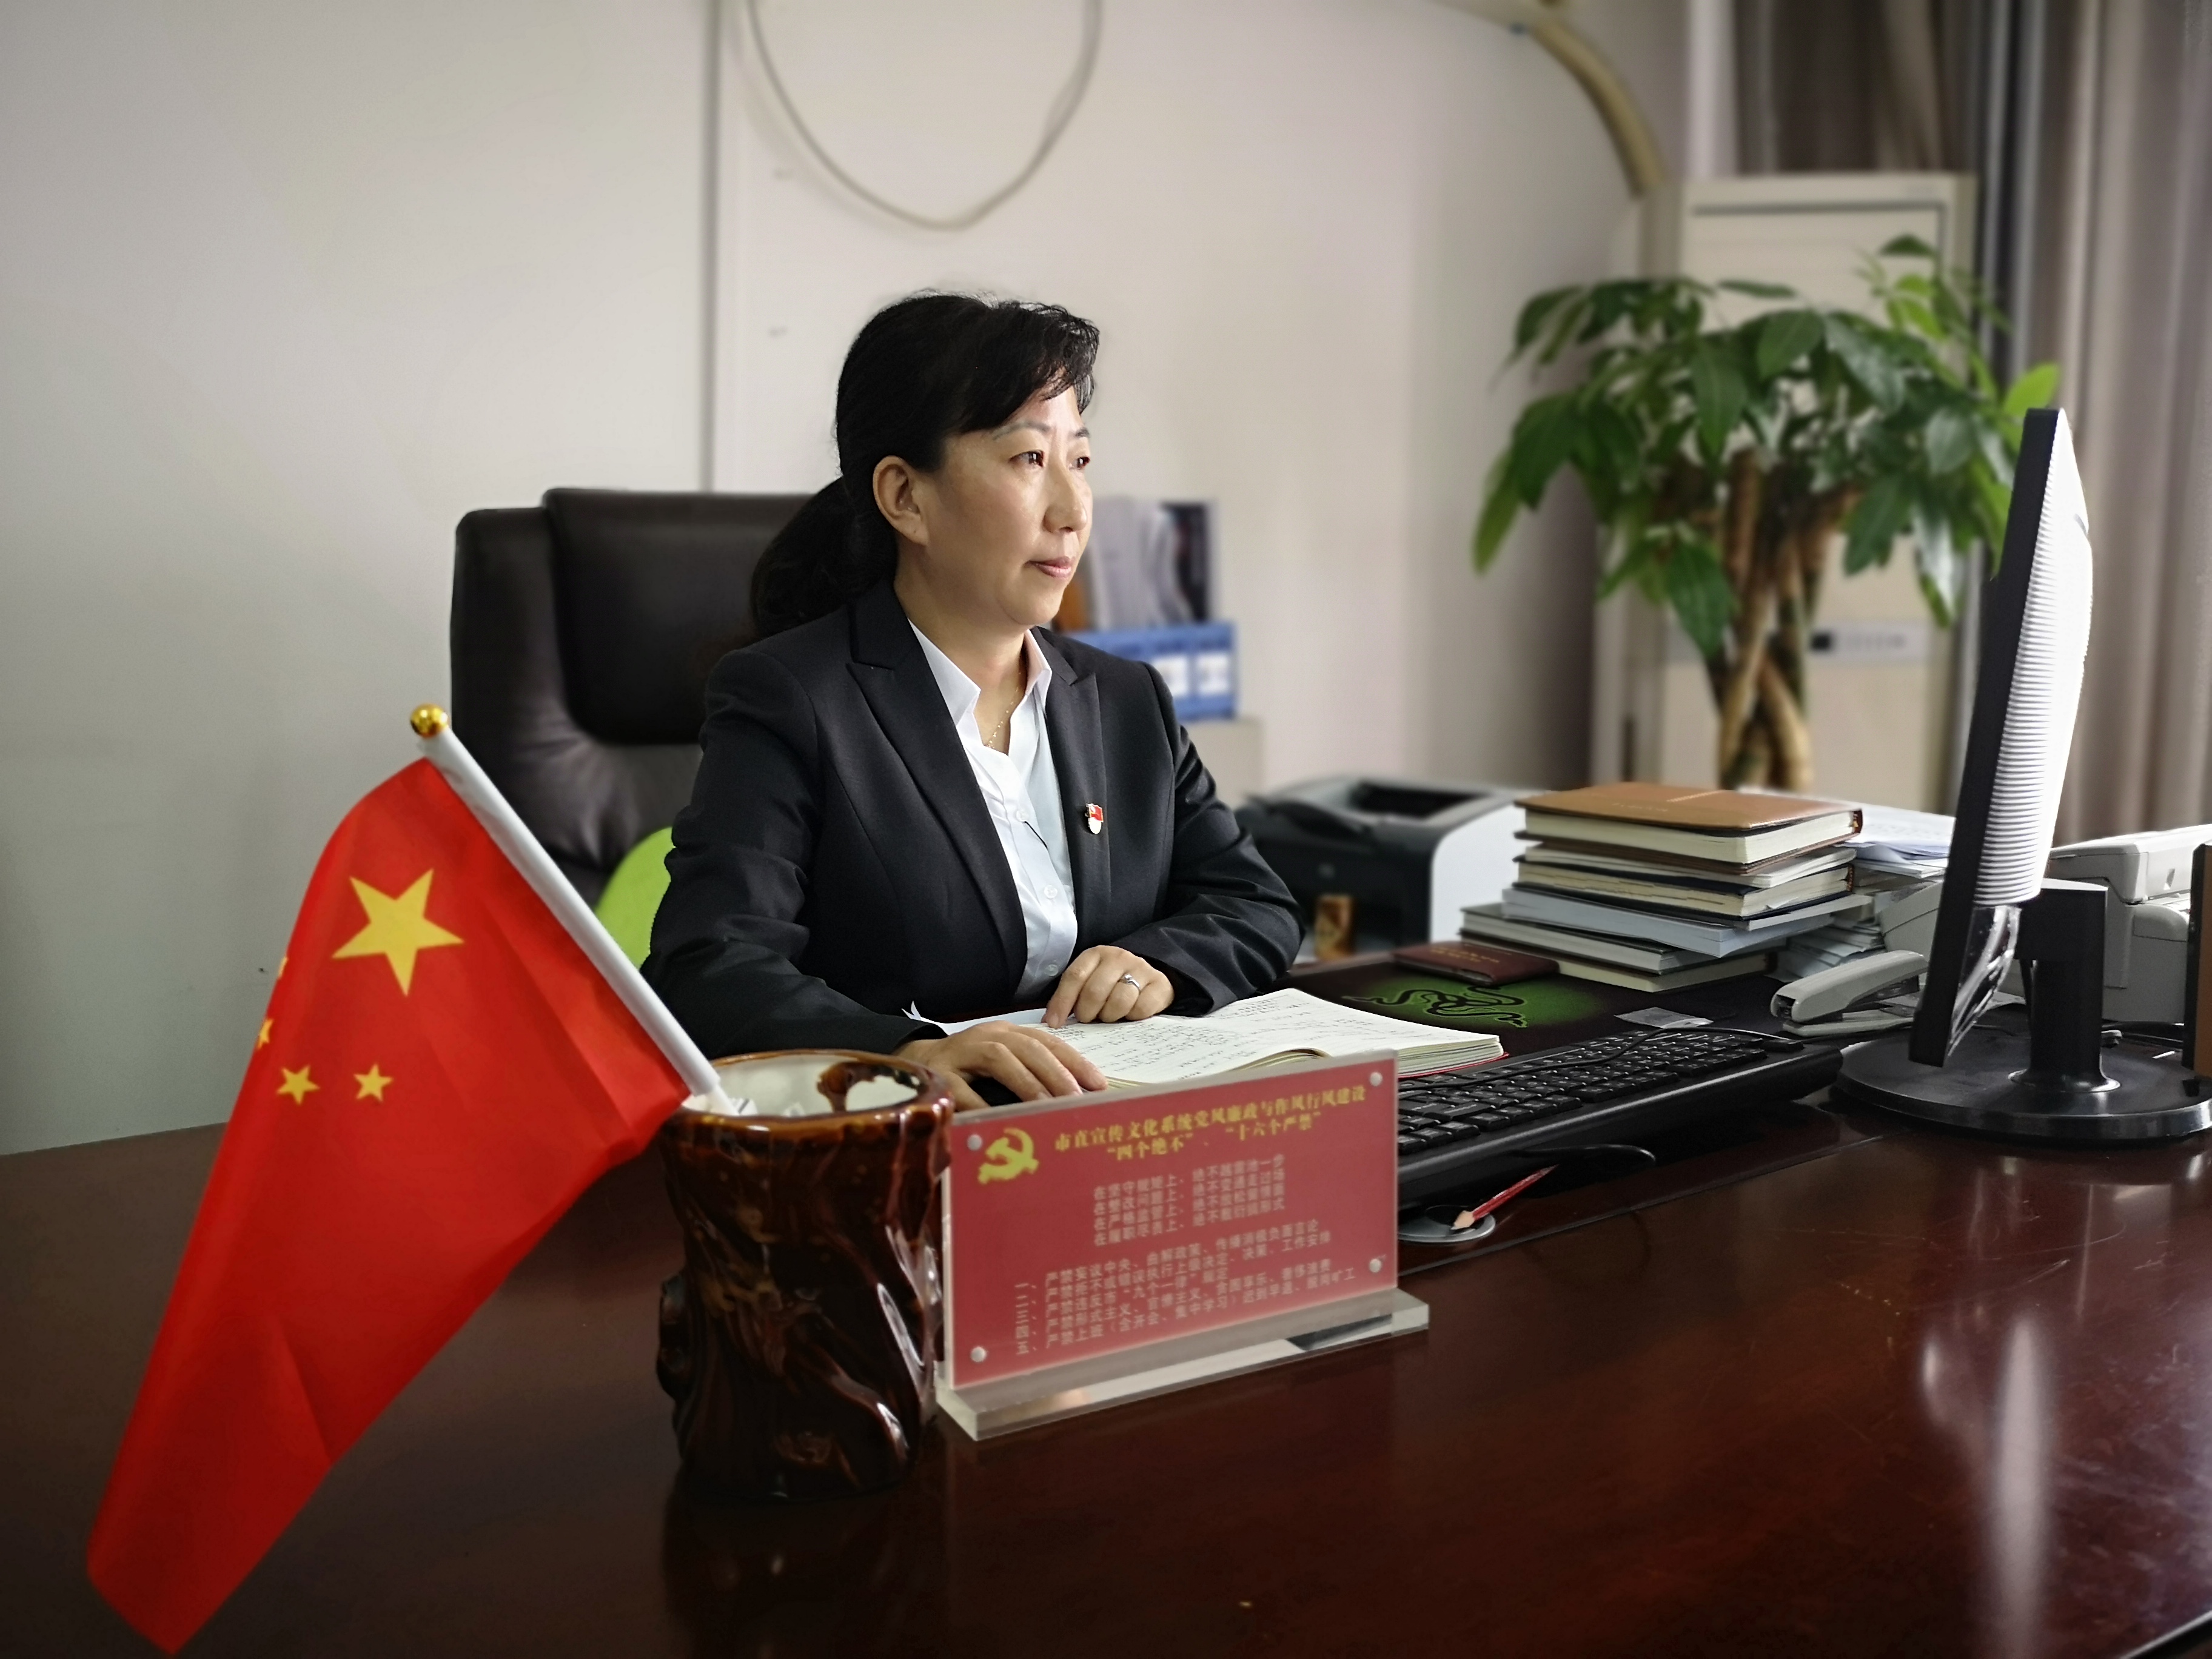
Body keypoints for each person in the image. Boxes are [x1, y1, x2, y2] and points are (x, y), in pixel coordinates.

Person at [643, 293, 1302, 1110]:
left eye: (1080, 462)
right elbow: (708, 965)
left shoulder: (1125, 699)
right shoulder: (793, 698)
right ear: (905, 498)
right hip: (908, 1137)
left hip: (1111, 1120)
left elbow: (1256, 903)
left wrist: (1161, 964)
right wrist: (912, 1053)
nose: (1073, 511)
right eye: (1029, 460)